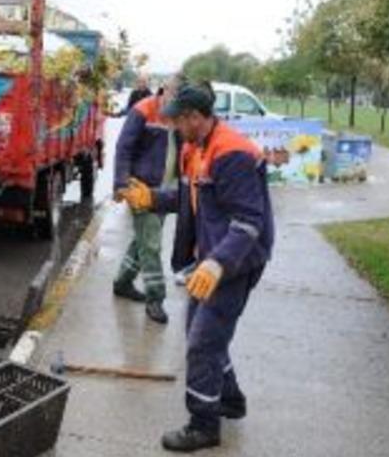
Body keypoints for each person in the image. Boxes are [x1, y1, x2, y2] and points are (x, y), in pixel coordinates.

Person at [121, 84, 274, 452]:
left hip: (235, 262)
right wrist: (153, 198)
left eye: (177, 119)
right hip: (211, 256)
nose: (172, 126)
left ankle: (203, 425)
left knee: (203, 342)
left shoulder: (231, 153)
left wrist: (218, 264)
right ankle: (230, 400)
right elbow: (192, 199)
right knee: (202, 332)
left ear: (194, 118)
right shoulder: (195, 148)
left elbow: (249, 222)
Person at [112, 74, 185, 324]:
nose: (175, 104)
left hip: (165, 192)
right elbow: (124, 148)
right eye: (173, 96)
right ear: (164, 90)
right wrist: (122, 184)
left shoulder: (178, 116)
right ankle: (156, 298)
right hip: (140, 189)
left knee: (142, 240)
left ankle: (122, 283)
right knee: (151, 244)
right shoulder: (143, 110)